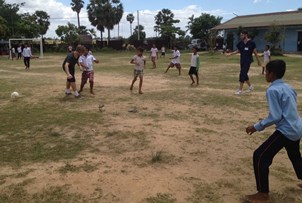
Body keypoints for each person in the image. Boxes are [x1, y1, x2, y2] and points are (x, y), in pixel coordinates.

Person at [245, 60, 302, 203]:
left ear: (271, 74)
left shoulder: (272, 90)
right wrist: (269, 119)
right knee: (295, 155)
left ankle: (263, 194)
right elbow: (287, 109)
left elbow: (276, 116)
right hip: (297, 127)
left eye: (266, 72)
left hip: (286, 130)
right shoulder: (289, 87)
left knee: (260, 156)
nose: (265, 74)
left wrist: (257, 126)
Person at [226, 30, 261, 95]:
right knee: (244, 74)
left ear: (246, 35)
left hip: (248, 60)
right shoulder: (240, 43)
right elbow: (237, 51)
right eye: (240, 35)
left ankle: (240, 90)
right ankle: (250, 87)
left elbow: (255, 52)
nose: (241, 36)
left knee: (242, 73)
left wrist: (258, 61)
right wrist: (230, 54)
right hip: (242, 60)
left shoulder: (252, 43)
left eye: (242, 35)